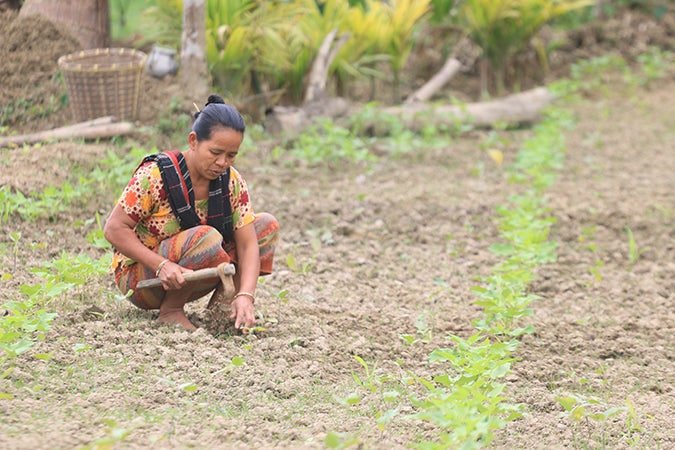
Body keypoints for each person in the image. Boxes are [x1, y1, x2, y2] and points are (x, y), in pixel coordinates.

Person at [104, 94, 279, 331]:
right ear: (194, 141)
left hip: (193, 272)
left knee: (265, 226)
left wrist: (246, 295)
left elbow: (248, 245)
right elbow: (114, 228)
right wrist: (161, 264)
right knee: (207, 237)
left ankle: (223, 312)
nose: (222, 162)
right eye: (215, 152)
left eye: (231, 155)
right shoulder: (155, 176)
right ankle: (171, 311)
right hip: (144, 280)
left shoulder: (232, 182)